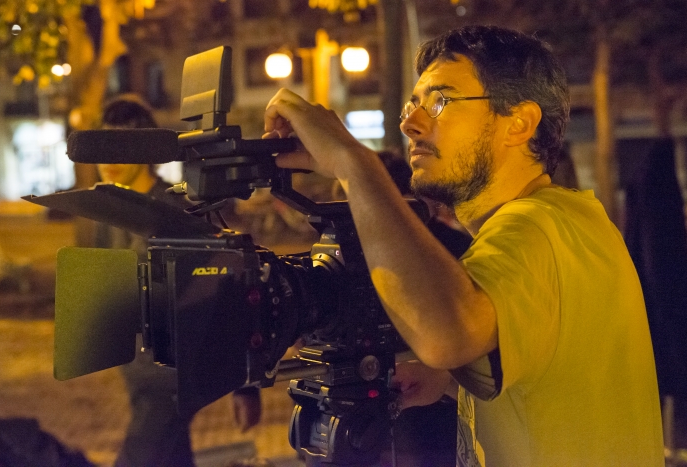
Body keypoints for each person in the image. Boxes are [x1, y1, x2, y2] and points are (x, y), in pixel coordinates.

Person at [263, 25, 663, 466]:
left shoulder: (536, 228)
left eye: (440, 102)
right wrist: (452, 380)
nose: (411, 124)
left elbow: (446, 336)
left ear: (519, 123)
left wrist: (353, 165)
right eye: (412, 105)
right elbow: (560, 380)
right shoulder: (574, 222)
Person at [95, 95, 261, 467]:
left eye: (121, 147)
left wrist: (246, 384)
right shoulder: (105, 210)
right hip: (137, 372)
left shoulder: (172, 211)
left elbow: (226, 289)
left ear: (147, 151)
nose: (108, 159)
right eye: (103, 146)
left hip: (174, 375)